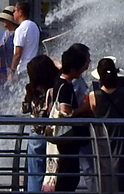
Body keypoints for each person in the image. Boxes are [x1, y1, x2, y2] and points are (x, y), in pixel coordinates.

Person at [93, 58, 124, 192]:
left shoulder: (94, 95)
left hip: (104, 140)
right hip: (123, 139)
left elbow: (94, 114)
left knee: (107, 176)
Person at [49, 44, 92, 193]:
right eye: (83, 66)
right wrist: (84, 108)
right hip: (67, 138)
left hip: (65, 139)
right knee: (68, 175)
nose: (85, 69)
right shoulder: (66, 86)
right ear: (73, 69)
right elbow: (66, 112)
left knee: (68, 173)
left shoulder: (59, 81)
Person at [20, 54, 59, 193]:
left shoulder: (31, 89)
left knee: (35, 175)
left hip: (35, 135)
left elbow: (25, 109)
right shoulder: (55, 88)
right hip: (51, 135)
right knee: (52, 176)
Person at [9, 1, 40, 80]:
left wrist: (12, 71)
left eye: (15, 11)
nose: (13, 14)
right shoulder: (34, 26)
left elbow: (18, 53)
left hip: (24, 68)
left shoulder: (21, 29)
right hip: (35, 66)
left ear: (20, 12)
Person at [0, 8, 18, 86]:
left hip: (13, 69)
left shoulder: (17, 34)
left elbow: (17, 53)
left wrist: (13, 71)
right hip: (3, 70)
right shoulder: (3, 35)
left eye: (4, 19)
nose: (2, 21)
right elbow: (0, 56)